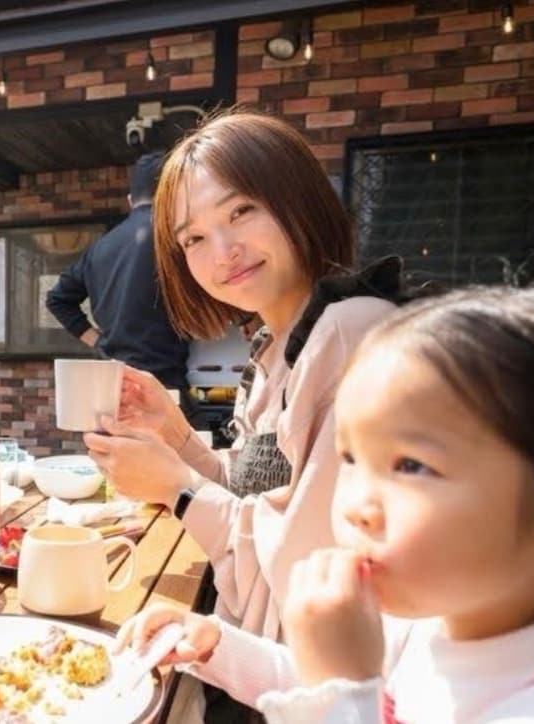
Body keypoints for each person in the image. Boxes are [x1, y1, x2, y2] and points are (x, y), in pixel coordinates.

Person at [115, 286, 534, 723]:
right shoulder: (429, 621)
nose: (355, 506)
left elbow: (342, 692)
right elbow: (318, 680)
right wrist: (218, 647)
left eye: (411, 466)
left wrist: (342, 686)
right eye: (350, 459)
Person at [84, 111, 403, 721]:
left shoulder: (349, 333)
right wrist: (174, 431)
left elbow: (303, 570)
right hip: (249, 665)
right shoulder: (274, 343)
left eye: (240, 212)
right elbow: (258, 492)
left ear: (297, 198)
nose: (222, 253)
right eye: (193, 239)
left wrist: (177, 489)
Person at [45, 151, 192, 400]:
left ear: (130, 200)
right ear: (172, 196)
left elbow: (57, 300)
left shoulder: (100, 247)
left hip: (113, 388)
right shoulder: (178, 238)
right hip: (162, 387)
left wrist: (98, 341)